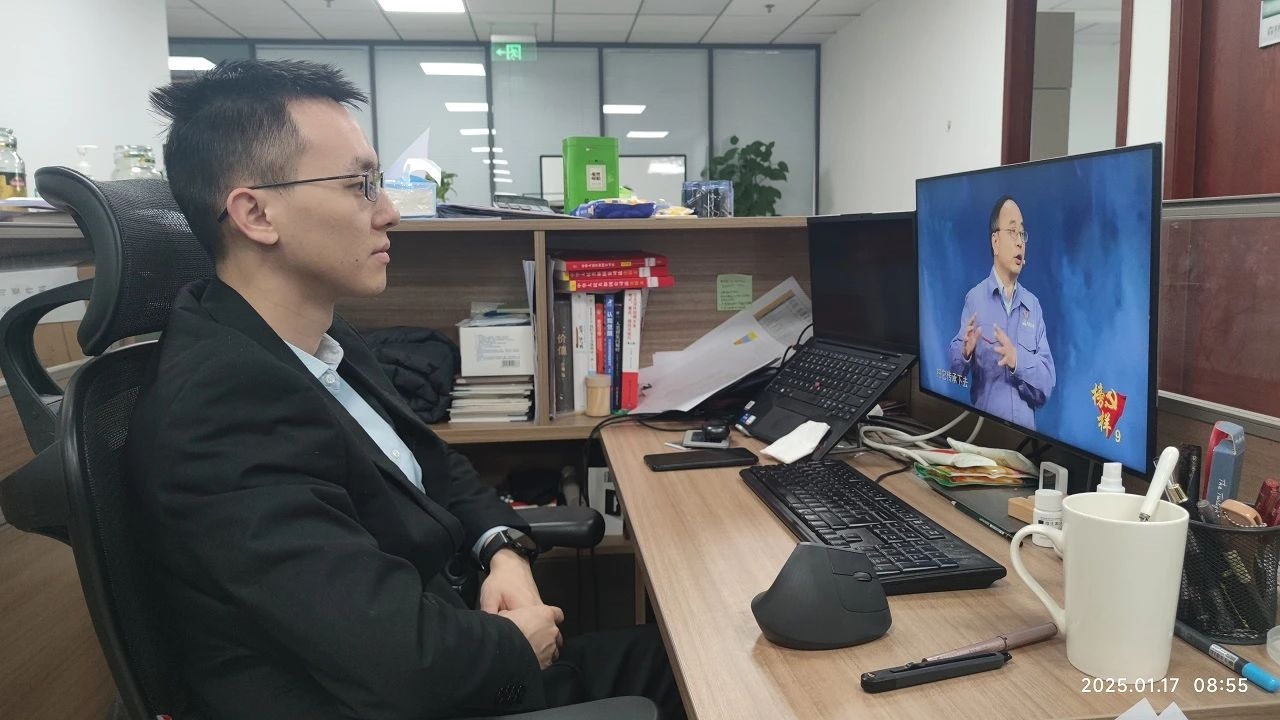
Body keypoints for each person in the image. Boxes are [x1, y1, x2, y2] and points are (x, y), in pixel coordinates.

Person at [123, 59, 683, 720]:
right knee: (707, 675)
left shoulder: (317, 343)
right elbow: (401, 665)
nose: (388, 212)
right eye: (360, 185)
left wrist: (503, 551)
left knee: (696, 653)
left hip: (453, 647)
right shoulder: (220, 417)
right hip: (424, 695)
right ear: (256, 213)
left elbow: (433, 467)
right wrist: (519, 647)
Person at [948, 196, 1056, 430]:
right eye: (1012, 231)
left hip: (1026, 442)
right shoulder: (974, 299)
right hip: (985, 437)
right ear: (995, 242)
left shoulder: (1033, 306)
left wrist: (1017, 360)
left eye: (1022, 234)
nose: (1020, 242)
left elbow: (1047, 385)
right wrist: (964, 352)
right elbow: (953, 374)